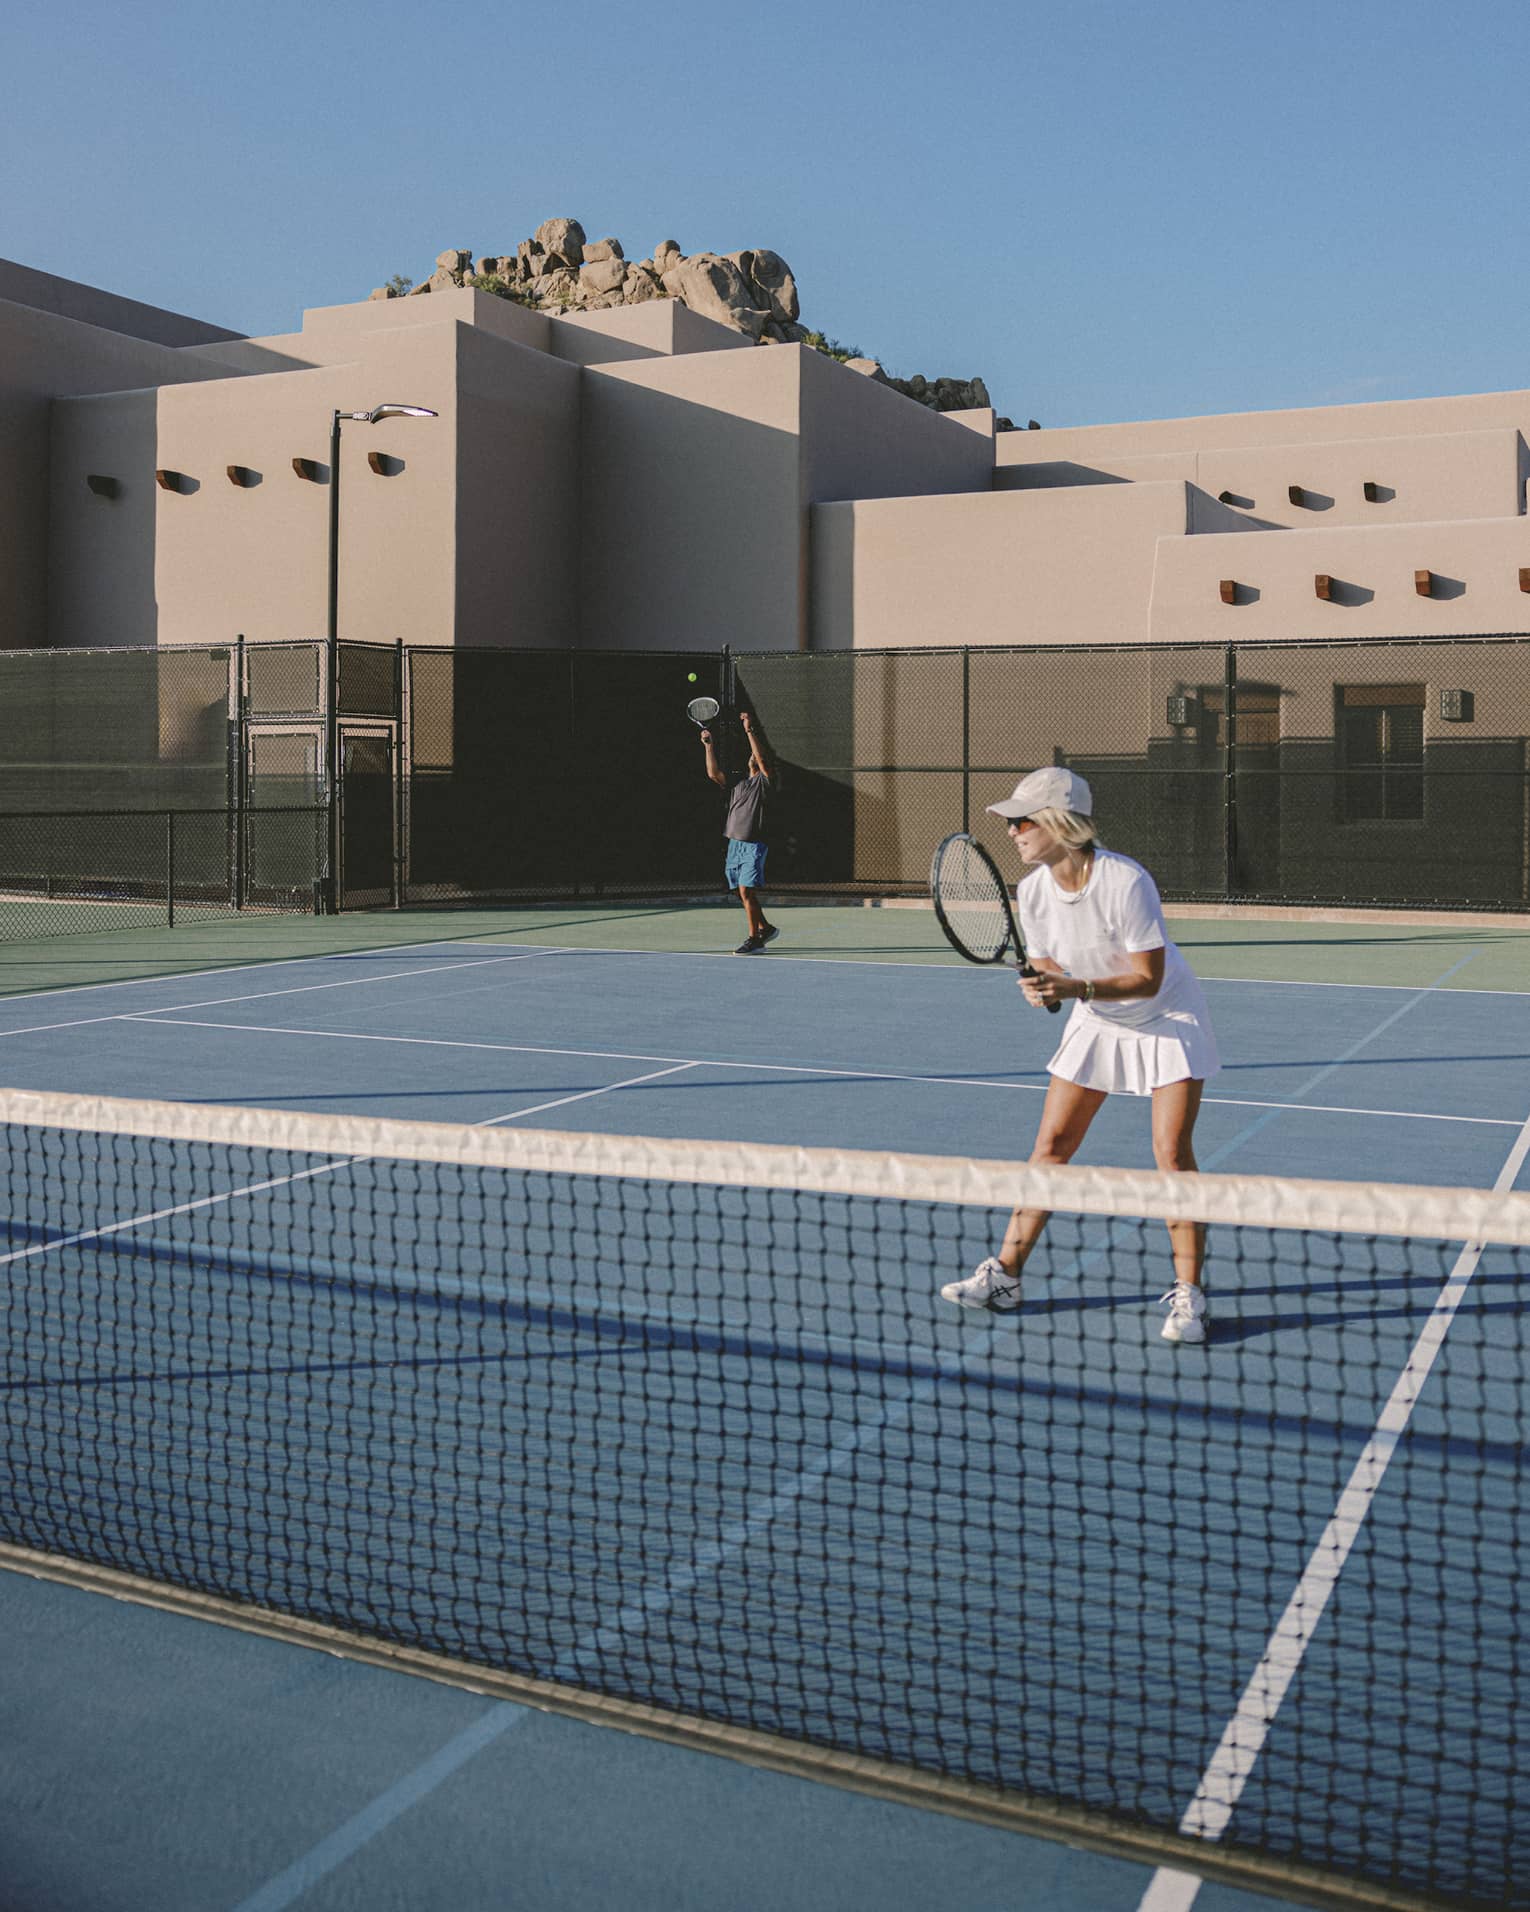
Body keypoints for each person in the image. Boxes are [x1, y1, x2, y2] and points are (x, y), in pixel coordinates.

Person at [939, 767, 1220, 1344]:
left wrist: (1075, 990)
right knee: (1051, 1148)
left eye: (1021, 821)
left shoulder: (1125, 881)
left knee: (1171, 1153)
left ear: (1057, 824)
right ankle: (1006, 1277)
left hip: (1166, 1017)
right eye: (1011, 822)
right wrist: (1044, 983)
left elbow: (1147, 976)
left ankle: (1190, 1295)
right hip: (1098, 1017)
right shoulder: (1034, 890)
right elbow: (1049, 964)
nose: (1012, 831)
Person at [701, 710, 779, 955]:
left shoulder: (765, 784)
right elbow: (713, 774)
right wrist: (708, 746)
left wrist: (749, 730)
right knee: (739, 891)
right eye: (752, 758)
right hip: (734, 845)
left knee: (746, 890)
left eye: (757, 757)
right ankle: (765, 927)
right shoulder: (739, 784)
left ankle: (754, 939)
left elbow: (762, 760)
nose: (754, 759)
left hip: (753, 845)